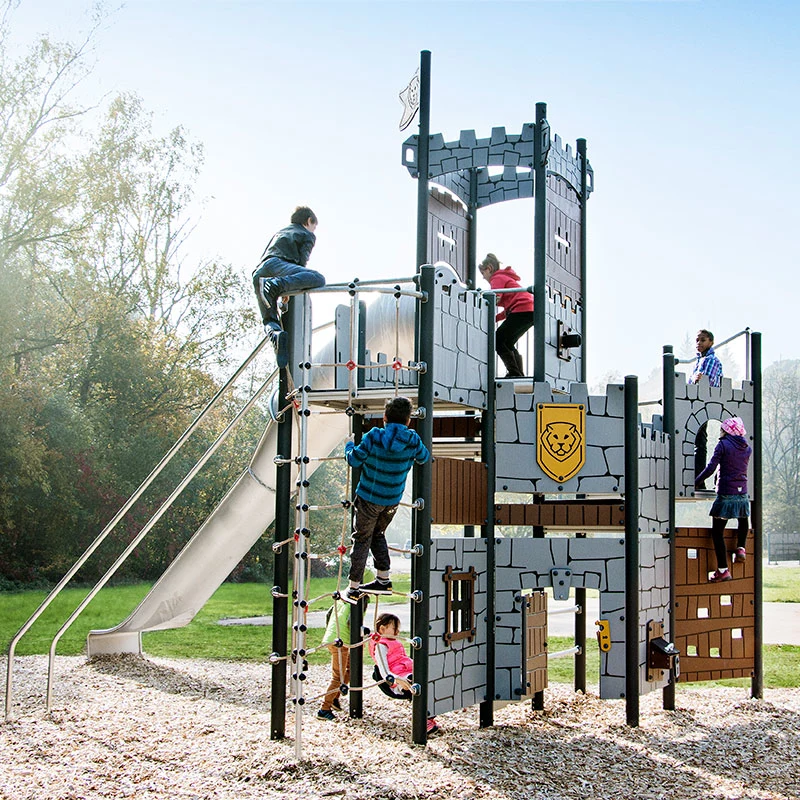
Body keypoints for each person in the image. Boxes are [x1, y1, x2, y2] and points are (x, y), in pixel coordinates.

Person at [344, 396, 430, 598]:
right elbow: (424, 457)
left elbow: (355, 460)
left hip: (368, 498)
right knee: (378, 534)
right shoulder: (412, 439)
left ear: (384, 417)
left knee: (362, 538)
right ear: (408, 421)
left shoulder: (374, 436)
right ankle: (384, 579)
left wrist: (348, 446)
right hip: (391, 501)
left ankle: (354, 587)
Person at [252, 206, 326, 368]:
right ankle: (275, 285)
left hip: (260, 273)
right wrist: (285, 285)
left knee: (270, 320)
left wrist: (286, 292)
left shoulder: (280, 232)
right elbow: (301, 263)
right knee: (318, 278)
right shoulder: (307, 234)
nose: (314, 230)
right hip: (278, 268)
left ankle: (277, 336)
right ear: (309, 221)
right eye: (314, 226)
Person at [695, 416, 752, 583]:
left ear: (726, 431)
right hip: (742, 493)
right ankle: (741, 548)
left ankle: (723, 570)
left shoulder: (723, 445)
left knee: (717, 532)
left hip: (726, 493)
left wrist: (696, 481)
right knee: (743, 518)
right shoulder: (747, 448)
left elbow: (711, 467)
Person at [369, 612, 440, 735]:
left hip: (407, 672)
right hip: (397, 681)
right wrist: (397, 679)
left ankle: (429, 716)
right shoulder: (381, 646)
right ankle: (422, 721)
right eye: (394, 628)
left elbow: (404, 659)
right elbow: (384, 671)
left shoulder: (395, 642)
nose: (398, 631)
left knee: (430, 679)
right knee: (417, 682)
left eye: (398, 628)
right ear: (382, 629)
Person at [478, 253, 534, 379]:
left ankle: (514, 373)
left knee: (498, 339)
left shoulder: (497, 278)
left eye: (483, 273)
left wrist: (481, 306)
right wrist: (495, 318)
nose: (483, 277)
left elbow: (495, 298)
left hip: (522, 310)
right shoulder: (504, 278)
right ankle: (518, 374)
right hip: (527, 310)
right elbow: (508, 308)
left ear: (489, 268)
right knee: (507, 342)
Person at [689, 329, 724, 487]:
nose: (699, 343)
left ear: (711, 342)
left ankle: (698, 478)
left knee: (699, 441)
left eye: (703, 340)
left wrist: (697, 379)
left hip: (702, 403)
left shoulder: (710, 360)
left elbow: (706, 381)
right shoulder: (700, 360)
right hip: (698, 402)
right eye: (697, 340)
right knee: (698, 440)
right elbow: (693, 381)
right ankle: (698, 478)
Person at [317, 600, 353, 720]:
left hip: (334, 637)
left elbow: (329, 613)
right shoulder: (360, 599)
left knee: (352, 669)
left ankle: (334, 698)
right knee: (338, 677)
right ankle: (324, 708)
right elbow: (351, 622)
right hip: (339, 641)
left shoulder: (342, 597)